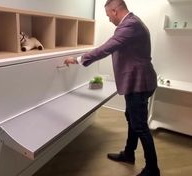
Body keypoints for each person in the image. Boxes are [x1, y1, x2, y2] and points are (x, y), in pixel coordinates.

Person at [63, 0, 160, 176]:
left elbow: (106, 48)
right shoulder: (134, 23)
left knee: (140, 126)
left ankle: (153, 169)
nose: (109, 19)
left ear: (115, 11)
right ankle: (129, 154)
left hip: (140, 83)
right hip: (138, 81)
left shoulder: (130, 25)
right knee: (132, 118)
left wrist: (78, 59)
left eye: (108, 15)